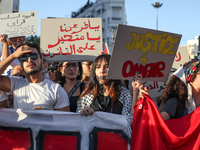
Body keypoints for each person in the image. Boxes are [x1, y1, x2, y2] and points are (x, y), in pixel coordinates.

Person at [0, 41, 70, 111]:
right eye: (24, 58)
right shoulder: (15, 84)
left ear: (42, 62)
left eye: (34, 56)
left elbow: (65, 120)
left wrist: (47, 115)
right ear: (21, 65)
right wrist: (13, 56)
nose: (30, 60)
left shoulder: (56, 90)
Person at [76, 54, 143, 125]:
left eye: (107, 67)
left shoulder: (123, 93)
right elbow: (78, 123)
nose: (102, 71)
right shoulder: (87, 95)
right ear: (94, 71)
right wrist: (83, 113)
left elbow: (130, 120)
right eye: (98, 67)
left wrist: (135, 91)